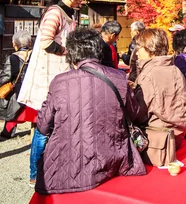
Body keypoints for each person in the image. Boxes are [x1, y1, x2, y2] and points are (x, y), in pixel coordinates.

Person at [35, 28, 146, 194]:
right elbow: (135, 113)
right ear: (98, 50)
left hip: (67, 165)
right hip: (113, 160)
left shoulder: (59, 82)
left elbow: (43, 126)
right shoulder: (119, 78)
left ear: (71, 54)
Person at [17, 0, 86, 187]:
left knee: (57, 126)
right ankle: (35, 173)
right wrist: (68, 51)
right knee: (44, 127)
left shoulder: (69, 13)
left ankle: (54, 168)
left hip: (59, 74)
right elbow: (47, 42)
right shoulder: (56, 12)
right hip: (48, 76)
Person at [134, 29, 186, 167]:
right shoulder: (175, 69)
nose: (136, 52)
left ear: (150, 49)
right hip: (177, 135)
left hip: (157, 141)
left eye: (139, 48)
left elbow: (139, 113)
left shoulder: (148, 75)